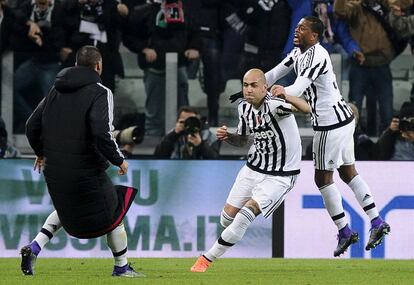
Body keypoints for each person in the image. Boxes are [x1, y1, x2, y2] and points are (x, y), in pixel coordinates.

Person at [268, 16, 390, 257]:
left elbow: (297, 89)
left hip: (329, 124)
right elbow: (274, 73)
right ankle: (377, 222)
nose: (297, 30)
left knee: (323, 179)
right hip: (344, 118)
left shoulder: (316, 55)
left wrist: (281, 92)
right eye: (297, 26)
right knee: (348, 172)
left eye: (302, 28)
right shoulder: (298, 53)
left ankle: (344, 231)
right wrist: (254, 84)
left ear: (314, 36)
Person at [23, 45, 144, 278]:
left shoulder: (54, 90)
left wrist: (40, 152)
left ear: (76, 64)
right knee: (114, 211)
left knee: (68, 206)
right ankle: (122, 267)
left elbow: (31, 126)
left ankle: (34, 247)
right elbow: (101, 131)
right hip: (85, 167)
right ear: (98, 66)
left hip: (55, 168)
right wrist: (118, 159)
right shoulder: (101, 91)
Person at [190, 68, 310, 272]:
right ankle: (229, 236)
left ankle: (206, 259)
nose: (249, 89)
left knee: (247, 211)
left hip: (280, 175)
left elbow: (306, 109)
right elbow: (243, 140)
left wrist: (287, 95)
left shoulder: (275, 105)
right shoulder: (244, 108)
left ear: (265, 87)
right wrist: (229, 136)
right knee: (226, 218)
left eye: (254, 85)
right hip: (253, 168)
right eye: (245, 85)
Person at [154, 106, 220, 159]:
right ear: (178, 121)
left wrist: (200, 145)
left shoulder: (208, 135)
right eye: (184, 121)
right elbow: (158, 156)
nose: (188, 124)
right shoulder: (172, 134)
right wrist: (173, 135)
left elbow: (214, 159)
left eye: (192, 120)